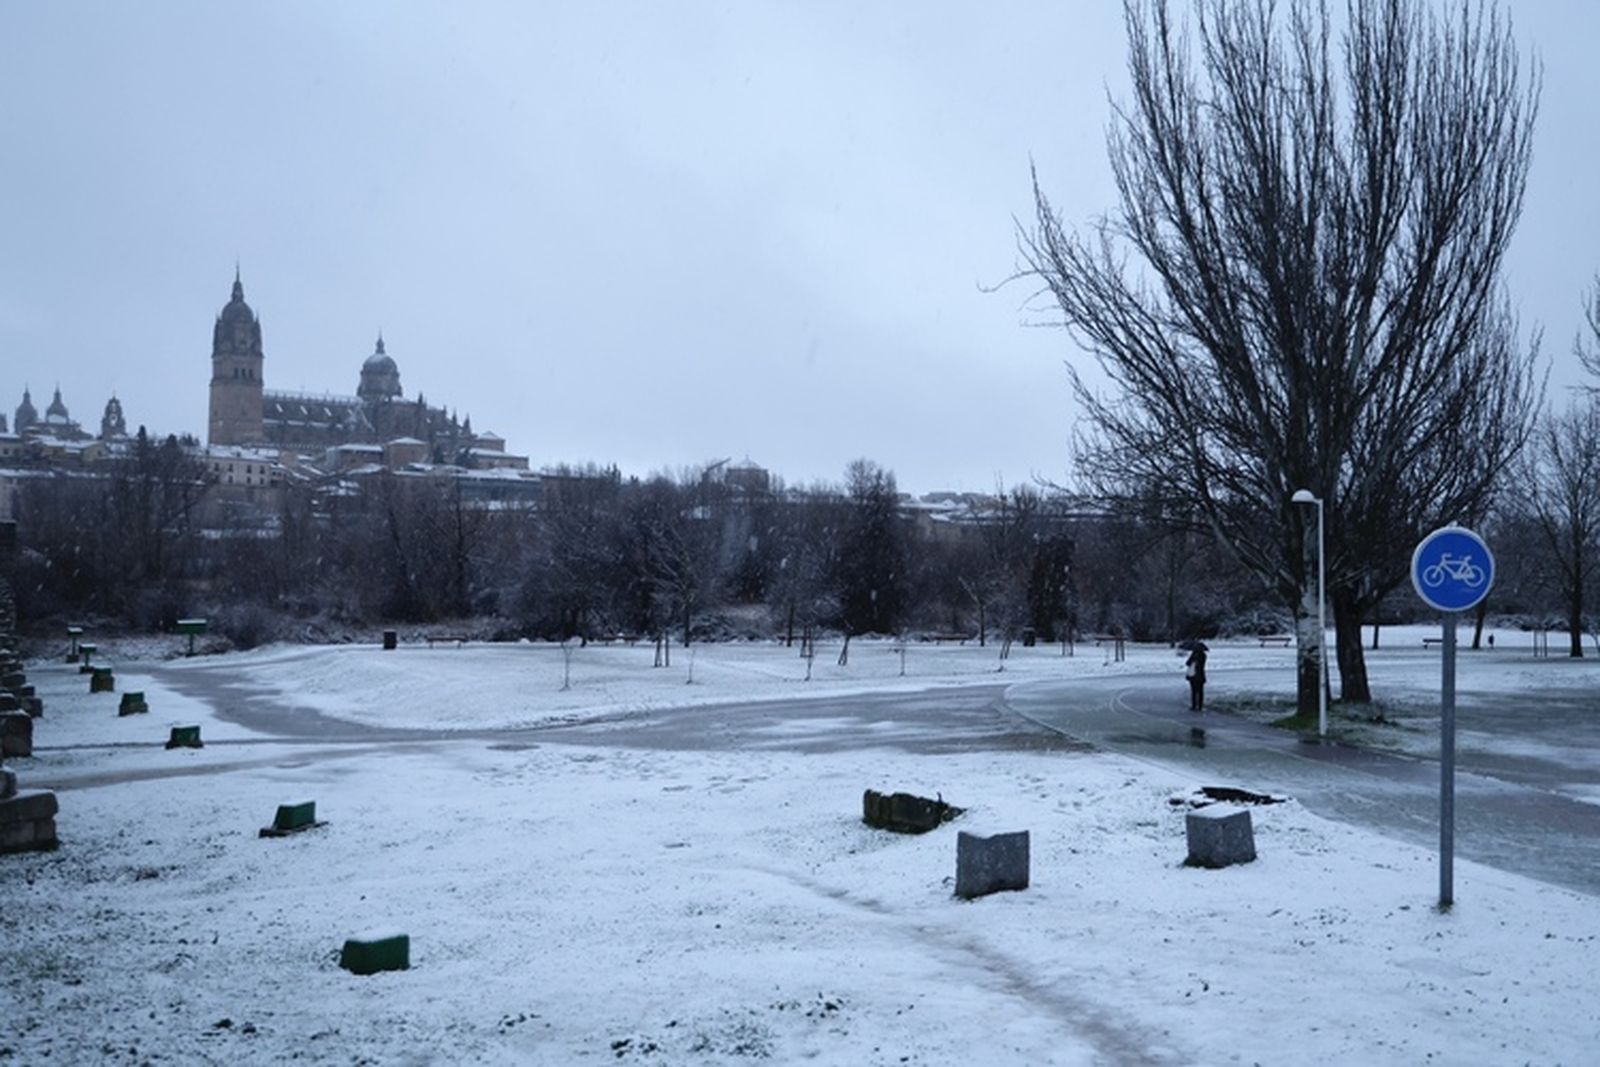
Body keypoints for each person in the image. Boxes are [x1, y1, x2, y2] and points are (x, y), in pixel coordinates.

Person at [1185, 642, 1208, 711]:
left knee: (1194, 691)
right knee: (1200, 691)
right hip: (1200, 675)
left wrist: (1193, 658)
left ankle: (1194, 705)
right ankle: (1200, 706)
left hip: (1193, 675)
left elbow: (1187, 663)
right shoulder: (1203, 655)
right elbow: (1201, 665)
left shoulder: (1193, 655)